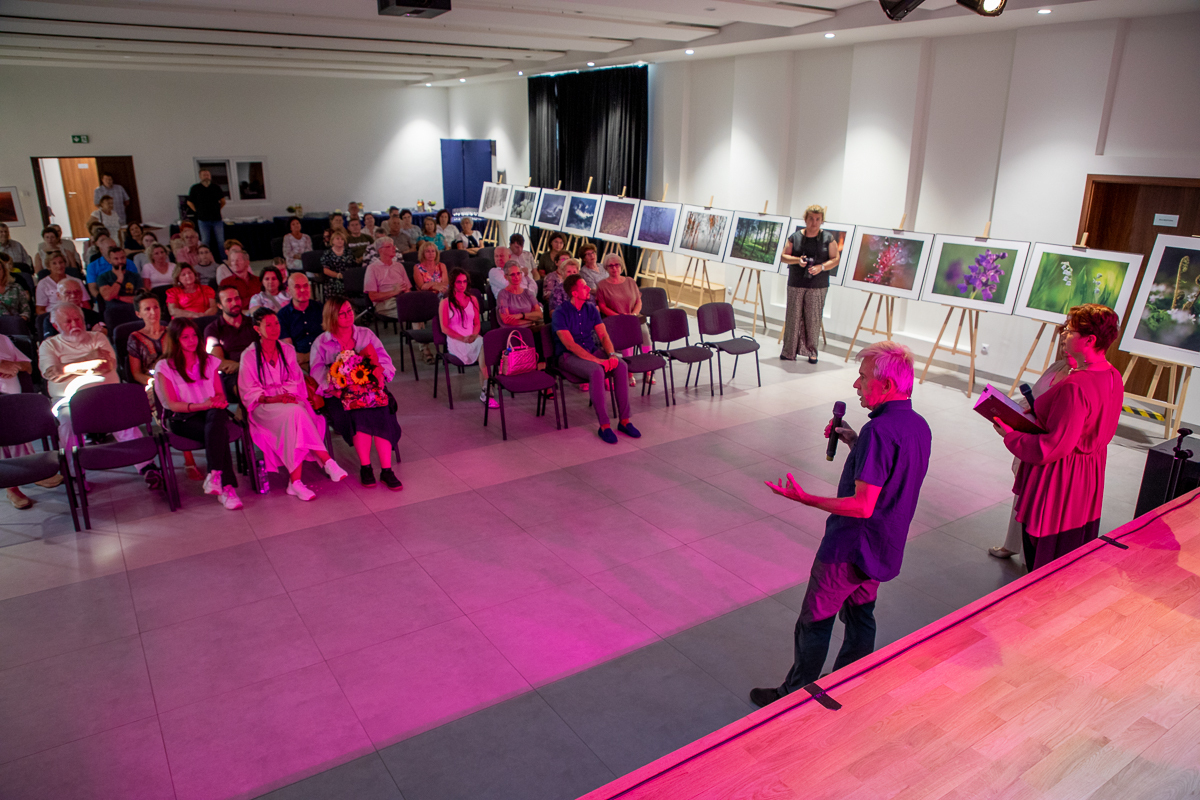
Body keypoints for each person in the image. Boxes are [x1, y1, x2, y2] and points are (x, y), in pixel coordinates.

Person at [751, 341, 931, 707]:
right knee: (861, 615)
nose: (856, 385)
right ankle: (848, 683)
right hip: (883, 547)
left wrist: (804, 499)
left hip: (850, 548)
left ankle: (794, 695)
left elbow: (863, 506)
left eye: (863, 378)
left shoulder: (879, 431)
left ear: (887, 385)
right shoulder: (917, 426)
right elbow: (889, 477)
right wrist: (855, 441)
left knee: (815, 621)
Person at [992, 304, 1124, 571]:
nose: (1064, 334)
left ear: (1090, 340)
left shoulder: (1076, 385)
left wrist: (1012, 435)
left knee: (1044, 549)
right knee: (1069, 547)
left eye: (1071, 330)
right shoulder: (1112, 375)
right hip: (1087, 474)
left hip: (1059, 476)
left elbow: (1052, 447)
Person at [40, 302, 163, 487]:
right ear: (56, 326)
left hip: (108, 395)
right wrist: (90, 360)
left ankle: (147, 466)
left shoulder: (97, 337)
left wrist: (65, 367)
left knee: (125, 420)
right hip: (69, 401)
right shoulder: (49, 345)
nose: (75, 325)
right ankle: (75, 475)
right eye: (68, 321)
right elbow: (52, 373)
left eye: (78, 319)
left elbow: (106, 365)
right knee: (66, 423)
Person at [239, 308, 347, 500]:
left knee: (294, 417)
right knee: (296, 412)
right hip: (263, 407)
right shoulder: (249, 355)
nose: (275, 328)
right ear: (257, 329)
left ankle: (295, 482)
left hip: (289, 400)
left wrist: (284, 395)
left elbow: (296, 380)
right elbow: (249, 391)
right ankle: (326, 460)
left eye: (277, 323)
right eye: (268, 325)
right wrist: (275, 398)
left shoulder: (287, 349)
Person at [309, 296, 402, 490]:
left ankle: (387, 470)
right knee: (358, 413)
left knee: (382, 410)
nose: (348, 316)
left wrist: (379, 375)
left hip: (370, 389)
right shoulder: (321, 342)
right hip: (340, 395)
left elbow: (384, 360)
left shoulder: (366, 334)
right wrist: (334, 387)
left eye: (349, 311)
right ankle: (366, 467)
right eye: (342, 314)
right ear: (332, 317)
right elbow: (317, 373)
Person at [989, 349, 1073, 563]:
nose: (1065, 337)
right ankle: (1012, 543)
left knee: (1040, 505)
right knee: (1022, 494)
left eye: (1071, 333)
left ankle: (1035, 558)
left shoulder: (1080, 379)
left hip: (1049, 446)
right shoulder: (1056, 366)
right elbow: (1033, 400)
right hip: (1031, 435)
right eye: (1064, 332)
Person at [155, 318, 242, 509]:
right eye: (185, 337)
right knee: (219, 432)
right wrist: (203, 405)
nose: (192, 340)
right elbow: (172, 404)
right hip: (183, 418)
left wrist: (217, 401)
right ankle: (226, 486)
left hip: (210, 413)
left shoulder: (209, 361)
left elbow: (219, 393)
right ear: (175, 340)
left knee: (217, 417)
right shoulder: (165, 366)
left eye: (194, 335)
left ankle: (215, 476)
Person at [552, 274, 641, 444]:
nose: (589, 289)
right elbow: (570, 345)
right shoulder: (560, 313)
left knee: (621, 365)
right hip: (567, 356)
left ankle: (624, 421)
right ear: (574, 293)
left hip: (591, 351)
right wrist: (599, 361)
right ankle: (604, 425)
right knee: (596, 371)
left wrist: (612, 355)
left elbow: (604, 336)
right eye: (584, 287)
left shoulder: (591, 309)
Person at [1, 332, 63, 509]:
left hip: (14, 401)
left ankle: (33, 473)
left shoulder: (3, 339)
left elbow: (27, 367)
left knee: (18, 428)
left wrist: (14, 365)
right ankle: (12, 487)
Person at [780, 205, 840, 364]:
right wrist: (797, 260)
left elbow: (836, 259)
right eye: (811, 219)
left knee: (813, 319)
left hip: (818, 284)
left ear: (822, 220)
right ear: (805, 219)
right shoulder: (795, 237)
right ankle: (789, 351)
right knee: (793, 317)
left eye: (818, 219)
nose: (814, 222)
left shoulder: (828, 238)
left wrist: (822, 267)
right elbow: (784, 256)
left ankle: (812, 352)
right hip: (796, 282)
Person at [440, 269, 495, 407]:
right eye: (459, 282)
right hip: (456, 341)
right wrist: (463, 339)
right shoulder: (445, 303)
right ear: (453, 283)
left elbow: (477, 323)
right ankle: (487, 388)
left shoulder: (473, 299)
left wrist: (474, 335)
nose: (462, 285)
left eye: (464, 282)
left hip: (473, 338)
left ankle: (486, 390)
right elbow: (444, 328)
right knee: (484, 349)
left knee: (484, 343)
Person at [595, 253, 650, 385]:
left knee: (645, 334)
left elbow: (638, 301)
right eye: (611, 266)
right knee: (626, 339)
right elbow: (602, 306)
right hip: (616, 320)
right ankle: (630, 373)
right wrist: (620, 317)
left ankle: (648, 370)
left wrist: (633, 315)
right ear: (606, 268)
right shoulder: (602, 285)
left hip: (633, 317)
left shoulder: (630, 281)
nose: (614, 268)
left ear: (621, 266)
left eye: (617, 265)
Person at [204, 286, 258, 399]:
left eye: (237, 298)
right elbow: (218, 362)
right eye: (229, 300)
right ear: (219, 305)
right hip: (232, 375)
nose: (234, 303)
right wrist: (241, 367)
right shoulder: (213, 329)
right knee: (245, 387)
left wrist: (243, 365)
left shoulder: (254, 324)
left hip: (257, 368)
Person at [278, 273, 323, 366]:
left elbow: (331, 338)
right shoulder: (282, 315)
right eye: (297, 287)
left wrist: (308, 356)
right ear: (289, 291)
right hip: (300, 363)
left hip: (324, 357)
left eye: (305, 286)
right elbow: (288, 349)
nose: (303, 290)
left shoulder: (321, 309)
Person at [364, 237, 411, 319]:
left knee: (420, 306)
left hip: (402, 299)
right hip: (385, 304)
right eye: (389, 246)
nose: (394, 248)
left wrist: (407, 295)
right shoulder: (372, 268)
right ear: (380, 250)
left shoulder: (399, 266)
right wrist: (394, 292)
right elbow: (373, 296)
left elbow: (408, 289)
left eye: (394, 246)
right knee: (414, 312)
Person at [186, 168, 227, 262]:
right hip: (203, 219)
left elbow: (223, 201)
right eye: (204, 175)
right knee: (205, 241)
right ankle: (205, 260)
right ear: (200, 176)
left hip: (217, 219)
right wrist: (197, 211)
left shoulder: (216, 187)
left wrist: (217, 209)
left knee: (221, 241)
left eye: (208, 175)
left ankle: (224, 260)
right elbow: (189, 202)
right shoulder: (195, 188)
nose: (206, 177)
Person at [127, 291, 167, 387]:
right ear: (138, 314)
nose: (153, 312)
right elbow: (136, 373)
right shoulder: (135, 338)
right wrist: (155, 383)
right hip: (151, 384)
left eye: (156, 307)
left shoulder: (171, 332)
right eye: (147, 309)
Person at [496, 261, 542, 331]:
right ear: (506, 277)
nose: (516, 277)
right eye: (512, 274)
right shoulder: (503, 294)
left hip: (531, 330)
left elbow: (539, 314)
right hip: (512, 331)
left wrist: (521, 315)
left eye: (518, 273)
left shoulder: (528, 292)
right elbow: (506, 320)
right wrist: (530, 320)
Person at [0, 258, 32, 324]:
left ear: (4, 271)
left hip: (14, 323)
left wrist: (20, 320)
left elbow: (26, 310)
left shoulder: (16, 287)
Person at [322, 230, 353, 297]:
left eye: (342, 239)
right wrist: (337, 275)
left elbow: (352, 266)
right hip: (332, 279)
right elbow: (325, 269)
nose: (340, 241)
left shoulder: (348, 252)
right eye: (338, 239)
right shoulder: (327, 253)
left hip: (347, 278)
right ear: (332, 241)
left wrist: (346, 276)